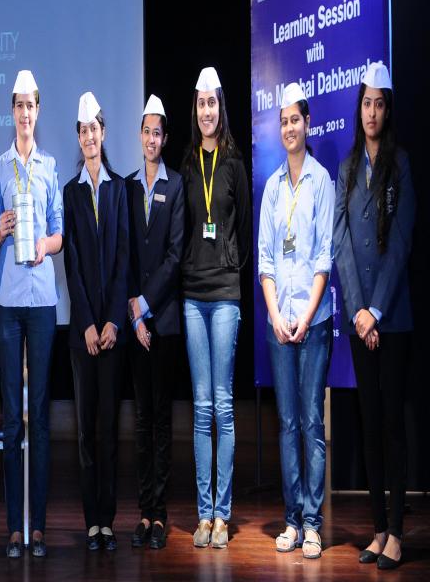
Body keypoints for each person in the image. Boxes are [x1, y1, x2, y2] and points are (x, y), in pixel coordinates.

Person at [333, 62, 415, 570]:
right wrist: (359, 311)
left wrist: (376, 310)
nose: (372, 112)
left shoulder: (400, 164)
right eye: (366, 103)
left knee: (391, 424)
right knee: (367, 422)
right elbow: (340, 241)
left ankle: (399, 532)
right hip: (360, 319)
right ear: (359, 108)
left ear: (388, 110)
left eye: (379, 104)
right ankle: (379, 528)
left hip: (392, 319)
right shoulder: (347, 168)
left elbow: (401, 240)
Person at [258, 83, 334, 559]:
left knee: (310, 422)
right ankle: (291, 519)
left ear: (307, 124)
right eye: (283, 121)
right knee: (286, 424)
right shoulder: (271, 188)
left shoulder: (321, 181)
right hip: (278, 325)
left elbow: (325, 258)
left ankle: (312, 523)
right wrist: (275, 316)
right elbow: (265, 261)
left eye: (295, 120)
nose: (289, 127)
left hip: (314, 322)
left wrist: (304, 318)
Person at [0, 70, 63, 558]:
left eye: (30, 105)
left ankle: (38, 527)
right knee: (12, 421)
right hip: (8, 301)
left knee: (39, 417)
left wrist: (44, 245)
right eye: (18, 105)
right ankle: (14, 527)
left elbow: (59, 232)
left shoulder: (50, 167)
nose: (24, 113)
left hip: (42, 304)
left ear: (38, 110)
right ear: (12, 111)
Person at [180, 67, 250, 549]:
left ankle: (222, 515)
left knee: (223, 405)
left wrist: (228, 265)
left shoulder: (234, 165)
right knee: (201, 407)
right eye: (201, 103)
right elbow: (185, 226)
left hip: (224, 295)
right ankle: (203, 514)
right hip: (192, 296)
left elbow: (242, 226)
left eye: (213, 103)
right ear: (195, 110)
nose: (207, 111)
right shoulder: (187, 164)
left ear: (221, 108)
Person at [63, 91, 128, 552]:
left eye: (94, 129)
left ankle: (109, 518)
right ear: (79, 136)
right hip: (82, 334)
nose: (89, 137)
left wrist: (112, 322)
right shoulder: (71, 193)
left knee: (109, 430)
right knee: (86, 430)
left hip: (112, 332)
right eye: (83, 131)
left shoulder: (120, 189)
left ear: (104, 133)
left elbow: (124, 260)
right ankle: (92, 521)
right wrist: (87, 322)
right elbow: (72, 263)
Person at [125, 94, 184, 550]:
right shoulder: (127, 188)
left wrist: (145, 305)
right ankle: (143, 512)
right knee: (141, 420)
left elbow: (175, 255)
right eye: (146, 131)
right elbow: (124, 255)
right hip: (136, 325)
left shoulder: (176, 186)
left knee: (162, 420)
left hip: (163, 321)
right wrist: (134, 314)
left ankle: (160, 514)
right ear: (139, 136)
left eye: (157, 132)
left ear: (165, 138)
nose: (151, 139)